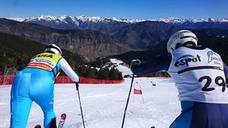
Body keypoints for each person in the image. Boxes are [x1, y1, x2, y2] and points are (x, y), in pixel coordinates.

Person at [167, 30, 228, 128]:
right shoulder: (215, 55)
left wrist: (135, 66)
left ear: (174, 45)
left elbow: (140, 69)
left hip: (198, 112)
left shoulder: (175, 55)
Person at [10, 44, 80, 128]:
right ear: (58, 52)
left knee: (17, 122)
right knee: (48, 112)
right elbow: (74, 77)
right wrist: (77, 81)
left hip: (20, 81)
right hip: (42, 83)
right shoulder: (59, 58)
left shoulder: (35, 57)